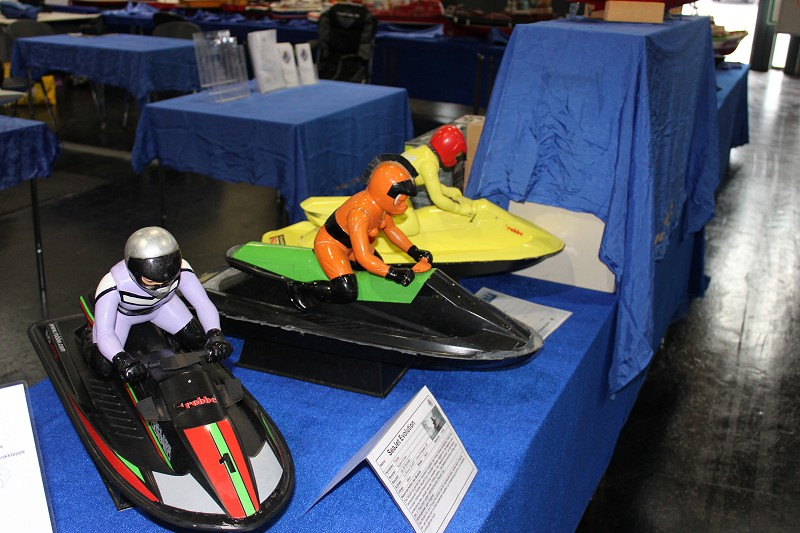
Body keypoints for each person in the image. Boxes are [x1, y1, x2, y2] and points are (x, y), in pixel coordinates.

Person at [89, 226, 232, 383]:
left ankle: (170, 337)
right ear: (133, 271)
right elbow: (105, 333)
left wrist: (215, 335)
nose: (162, 287)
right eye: (151, 281)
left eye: (169, 279)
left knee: (200, 342)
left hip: (163, 306)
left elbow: (203, 304)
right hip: (122, 316)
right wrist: (122, 360)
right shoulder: (113, 285)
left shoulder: (182, 270)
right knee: (104, 368)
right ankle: (87, 338)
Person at [290, 154, 433, 310]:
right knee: (347, 292)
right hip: (331, 245)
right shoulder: (360, 214)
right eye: (400, 200)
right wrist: (393, 273)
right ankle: (302, 289)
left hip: (352, 245)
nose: (403, 206)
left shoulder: (379, 206)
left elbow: (391, 229)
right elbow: (363, 257)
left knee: (378, 266)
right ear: (384, 192)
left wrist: (414, 251)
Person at [402, 124, 474, 217]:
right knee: (411, 222)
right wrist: (459, 209)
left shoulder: (424, 151)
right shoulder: (429, 164)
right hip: (393, 191)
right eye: (456, 155)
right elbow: (437, 199)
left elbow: (429, 183)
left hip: (390, 184)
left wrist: (447, 191)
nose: (455, 158)